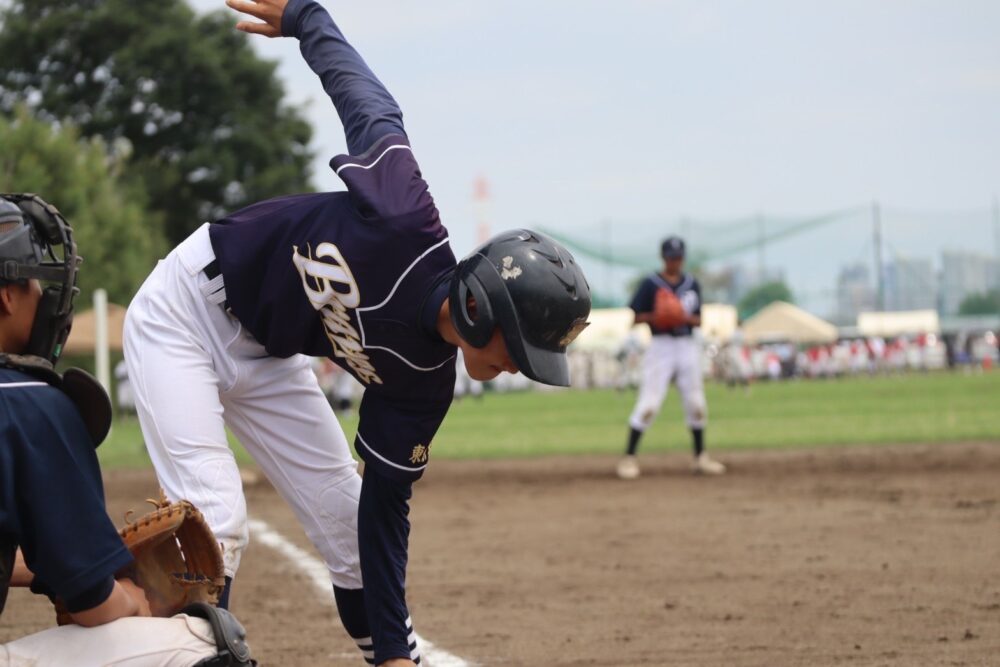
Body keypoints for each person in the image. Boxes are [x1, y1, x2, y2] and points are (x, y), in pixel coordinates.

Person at [122, 1, 592, 666]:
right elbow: (370, 104)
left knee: (347, 519)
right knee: (216, 519)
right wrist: (307, 18)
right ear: (483, 311)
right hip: (186, 311)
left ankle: (389, 656)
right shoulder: (404, 218)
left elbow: (384, 509)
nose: (520, 366)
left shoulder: (428, 383)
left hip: (269, 352)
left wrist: (396, 649)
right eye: (521, 350)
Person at [0, 194, 253, 666]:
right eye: (35, 282)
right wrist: (134, 602)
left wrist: (36, 569)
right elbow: (93, 605)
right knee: (210, 642)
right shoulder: (30, 401)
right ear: (6, 295)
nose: (43, 295)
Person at [616, 235, 725, 480]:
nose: (674, 262)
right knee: (649, 404)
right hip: (660, 346)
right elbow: (635, 317)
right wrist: (658, 316)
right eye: (670, 257)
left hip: (686, 345)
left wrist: (681, 317)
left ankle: (700, 457)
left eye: (677, 257)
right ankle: (629, 458)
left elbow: (699, 320)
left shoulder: (692, 283)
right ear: (663, 257)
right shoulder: (651, 284)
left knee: (696, 403)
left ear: (683, 258)